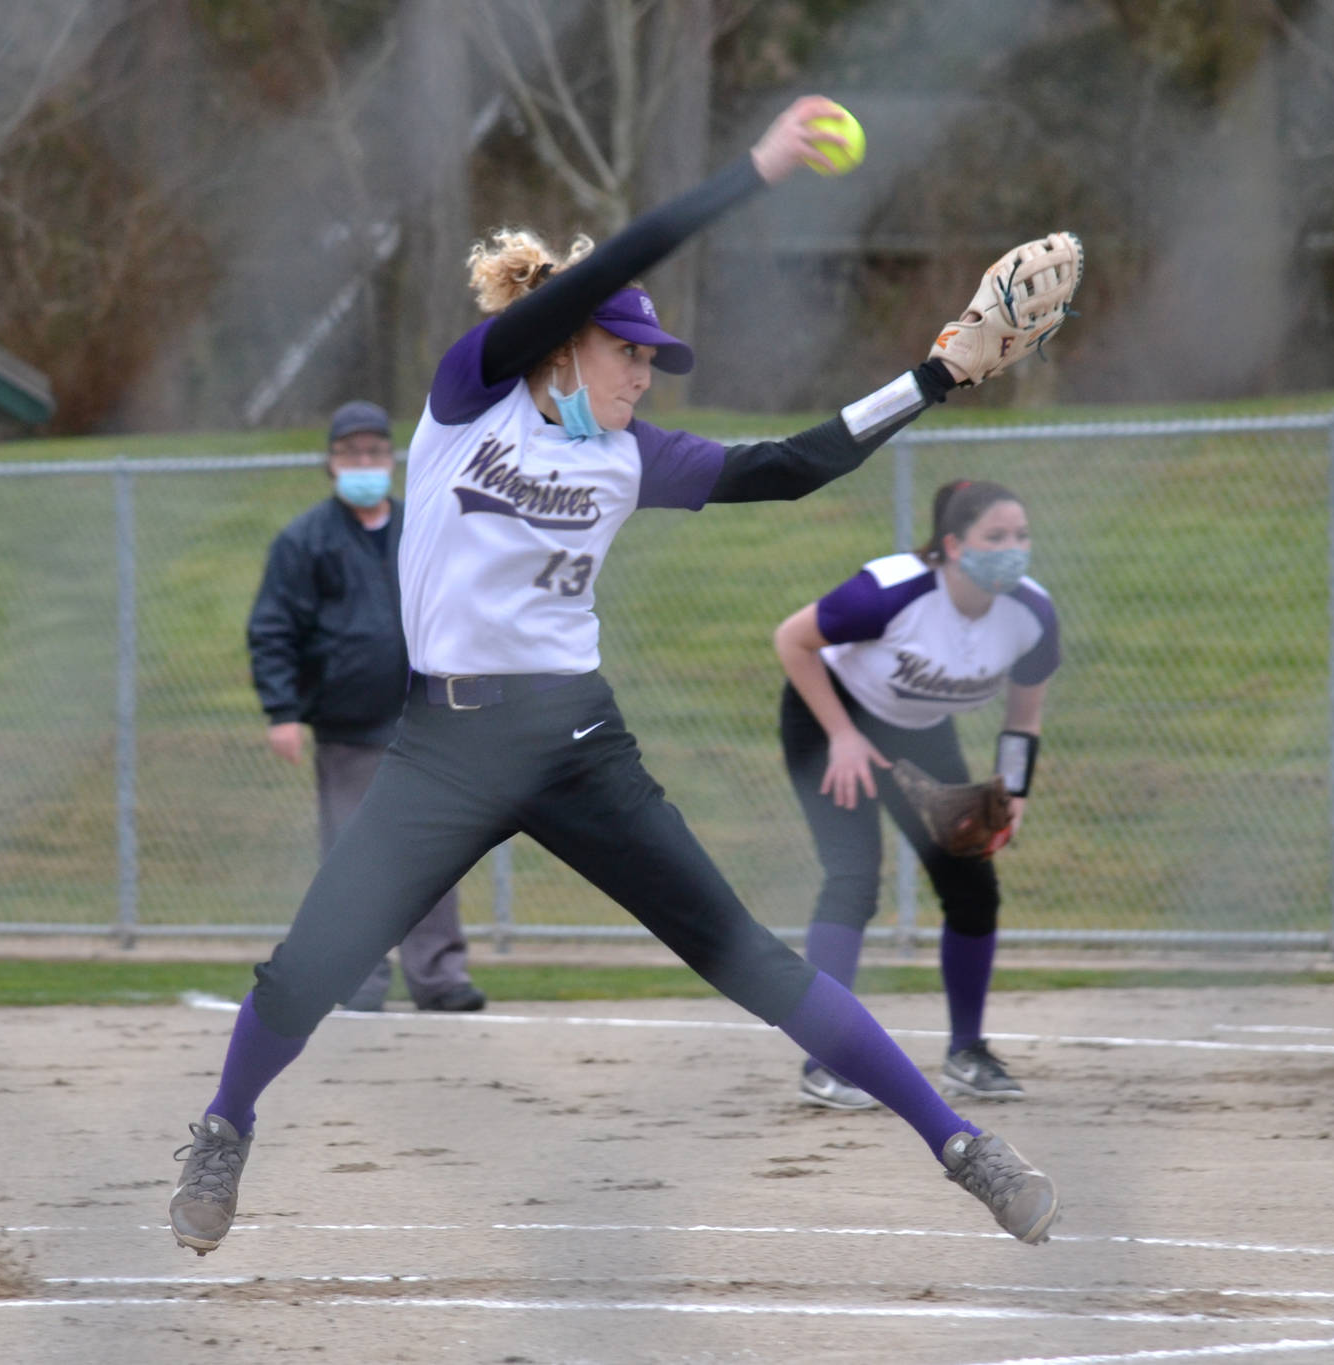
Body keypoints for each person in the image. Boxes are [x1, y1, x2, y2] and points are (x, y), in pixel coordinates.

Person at [167, 94, 1080, 1256]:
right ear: (565, 340)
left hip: (574, 743)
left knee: (745, 954)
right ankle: (223, 1126)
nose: (647, 374)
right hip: (443, 744)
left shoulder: (631, 454)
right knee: (308, 966)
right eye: (629, 350)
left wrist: (935, 373)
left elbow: (786, 468)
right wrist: (751, 170)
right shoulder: (470, 400)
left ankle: (962, 1148)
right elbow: (634, 252)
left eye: (654, 359)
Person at [774, 478, 1058, 1111]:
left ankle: (967, 1053)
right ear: (953, 546)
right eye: (996, 537)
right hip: (831, 720)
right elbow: (792, 639)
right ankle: (825, 1061)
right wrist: (842, 736)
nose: (1013, 549)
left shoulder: (1031, 614)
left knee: (971, 884)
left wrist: (1014, 792)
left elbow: (1024, 718)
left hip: (920, 734)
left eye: (1021, 536)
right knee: (853, 876)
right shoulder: (892, 592)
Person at [246, 400, 486, 1014]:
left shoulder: (423, 529)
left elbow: (463, 613)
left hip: (427, 723)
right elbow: (274, 630)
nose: (364, 462)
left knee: (434, 852)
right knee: (356, 856)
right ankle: (358, 979)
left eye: (375, 451)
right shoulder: (305, 541)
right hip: (348, 728)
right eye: (350, 453)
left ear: (392, 459)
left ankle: (439, 978)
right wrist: (283, 712)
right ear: (330, 464)